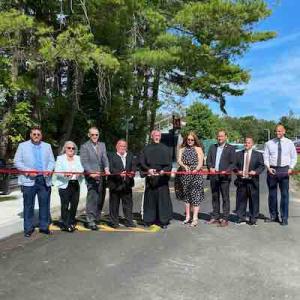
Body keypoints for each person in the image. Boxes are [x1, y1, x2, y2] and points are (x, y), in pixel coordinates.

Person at [14, 127, 55, 237]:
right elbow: (17, 162)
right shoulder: (22, 146)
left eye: (38, 134)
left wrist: (49, 170)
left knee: (45, 204)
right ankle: (28, 229)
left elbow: (52, 161)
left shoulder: (47, 146)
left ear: (41, 136)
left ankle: (44, 227)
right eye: (34, 134)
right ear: (30, 135)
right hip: (29, 180)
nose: (36, 136)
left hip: (44, 179)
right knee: (28, 205)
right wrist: (28, 172)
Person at [263, 124, 297, 226]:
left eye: (280, 131)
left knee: (284, 195)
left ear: (284, 131)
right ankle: (273, 216)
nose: (278, 133)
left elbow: (294, 157)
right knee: (272, 195)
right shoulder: (269, 143)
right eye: (276, 131)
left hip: (284, 170)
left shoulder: (289, 143)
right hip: (272, 170)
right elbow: (266, 157)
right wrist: (268, 168)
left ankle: (284, 217)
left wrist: (291, 168)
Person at [140, 130, 173, 228]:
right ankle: (149, 220)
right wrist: (148, 170)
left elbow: (169, 164)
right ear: (151, 136)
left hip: (162, 179)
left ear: (160, 137)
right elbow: (142, 162)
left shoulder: (166, 149)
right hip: (151, 178)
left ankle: (163, 221)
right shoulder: (146, 149)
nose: (157, 137)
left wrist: (164, 170)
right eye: (155, 135)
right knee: (150, 200)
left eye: (158, 135)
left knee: (163, 200)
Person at [80, 127, 110, 230]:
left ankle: (96, 217)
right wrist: (91, 173)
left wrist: (106, 168)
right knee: (92, 198)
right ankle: (90, 220)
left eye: (96, 135)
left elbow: (104, 158)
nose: (94, 137)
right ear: (89, 135)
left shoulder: (102, 145)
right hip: (91, 177)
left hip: (101, 175)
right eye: (92, 135)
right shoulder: (84, 147)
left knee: (101, 197)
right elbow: (84, 162)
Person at [206, 130, 235, 227]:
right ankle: (215, 216)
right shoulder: (212, 147)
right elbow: (208, 160)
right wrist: (210, 167)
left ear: (226, 137)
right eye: (218, 136)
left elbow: (233, 163)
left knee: (225, 198)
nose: (220, 138)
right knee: (215, 197)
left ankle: (225, 218)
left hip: (224, 177)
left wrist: (227, 171)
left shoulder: (231, 148)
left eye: (222, 136)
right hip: (214, 176)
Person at [175, 132, 205, 227]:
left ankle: (195, 218)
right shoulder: (182, 149)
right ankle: (188, 217)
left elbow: (201, 162)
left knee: (195, 195)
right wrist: (184, 166)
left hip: (196, 174)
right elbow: (179, 160)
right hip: (184, 174)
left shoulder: (198, 149)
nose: (190, 141)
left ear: (195, 140)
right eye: (188, 139)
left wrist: (195, 169)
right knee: (186, 196)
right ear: (186, 140)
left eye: (192, 140)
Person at [53, 141, 84, 232]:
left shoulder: (78, 158)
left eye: (73, 148)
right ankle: (66, 224)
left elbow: (82, 169)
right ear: (65, 149)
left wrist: (79, 173)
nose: (71, 150)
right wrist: (64, 174)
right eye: (69, 148)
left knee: (74, 204)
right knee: (65, 205)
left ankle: (71, 222)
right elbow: (57, 171)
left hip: (75, 183)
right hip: (64, 184)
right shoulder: (60, 158)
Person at [234, 137, 265, 226]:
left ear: (252, 144)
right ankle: (241, 218)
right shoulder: (238, 154)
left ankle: (253, 219)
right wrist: (237, 171)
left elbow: (262, 166)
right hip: (241, 180)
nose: (246, 144)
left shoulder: (258, 154)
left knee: (254, 201)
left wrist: (255, 172)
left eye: (248, 143)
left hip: (253, 181)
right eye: (245, 142)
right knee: (241, 200)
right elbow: (234, 165)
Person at [107, 140, 136, 228]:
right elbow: (110, 168)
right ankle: (114, 222)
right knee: (114, 204)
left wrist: (132, 172)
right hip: (115, 184)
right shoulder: (111, 156)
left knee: (128, 204)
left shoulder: (130, 155)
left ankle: (128, 221)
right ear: (116, 147)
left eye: (124, 146)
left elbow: (134, 166)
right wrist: (119, 173)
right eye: (121, 146)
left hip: (127, 183)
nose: (123, 148)